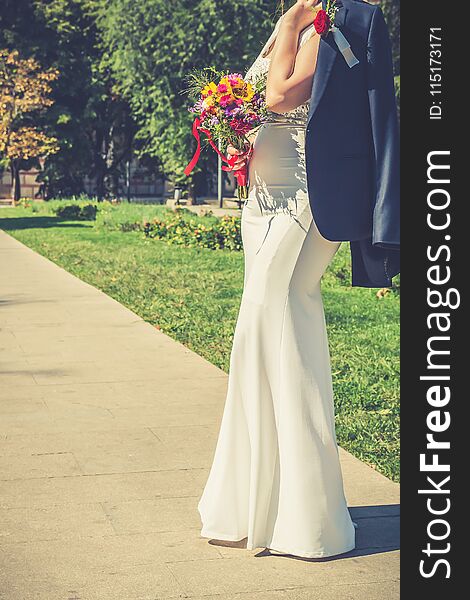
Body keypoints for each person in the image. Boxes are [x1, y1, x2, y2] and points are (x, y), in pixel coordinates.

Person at [198, 0, 399, 559]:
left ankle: (308, 517)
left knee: (276, 315)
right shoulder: (298, 15)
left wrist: (288, 25)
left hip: (306, 193)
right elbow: (257, 103)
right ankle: (260, 502)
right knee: (266, 327)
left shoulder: (339, 19)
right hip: (262, 196)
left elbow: (283, 95)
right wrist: (231, 128)